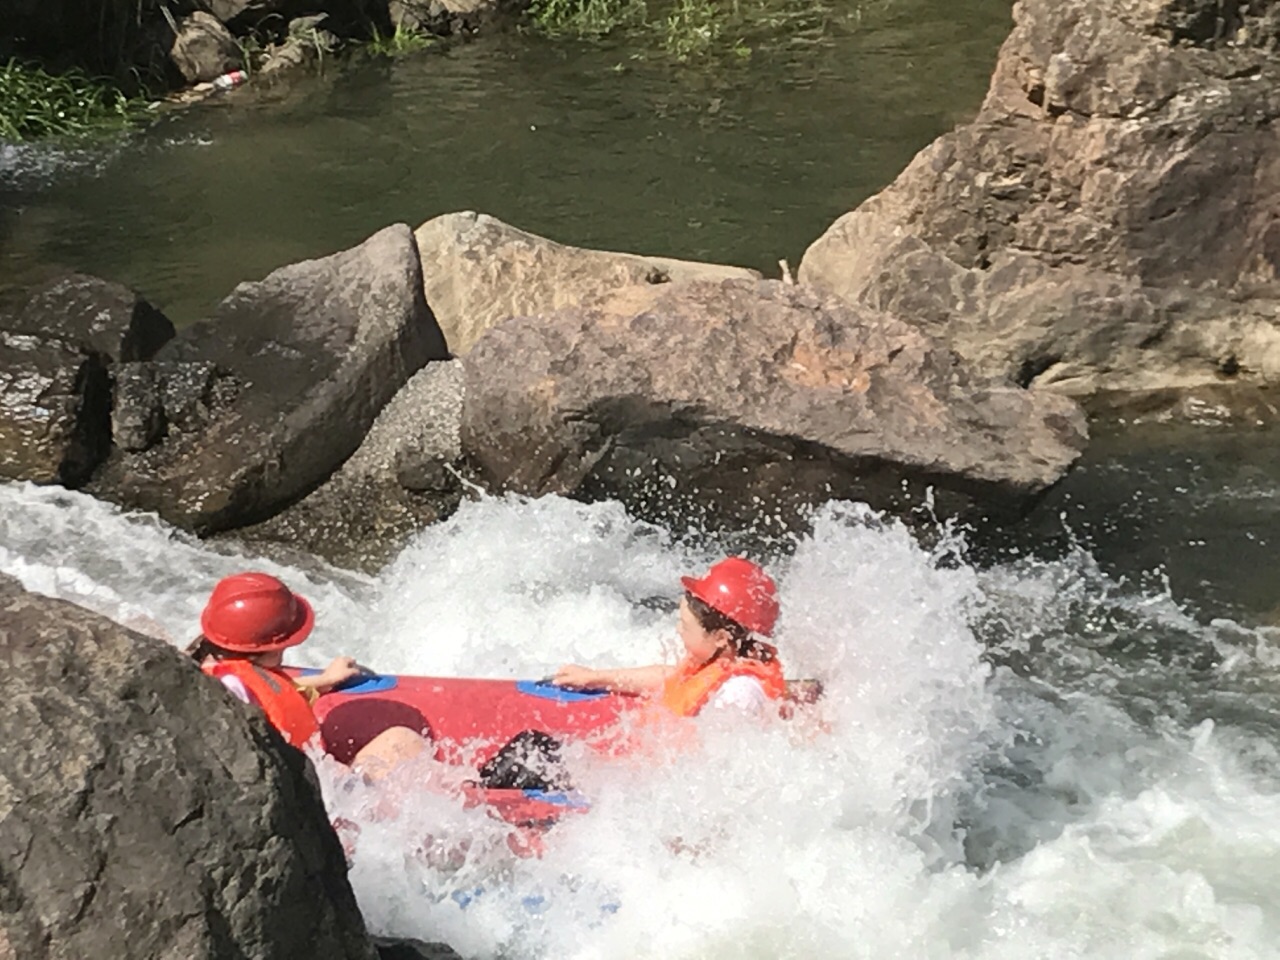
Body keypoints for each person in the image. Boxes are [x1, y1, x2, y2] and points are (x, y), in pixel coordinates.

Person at [189, 571, 426, 778]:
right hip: (308, 794)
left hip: (300, 781)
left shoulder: (215, 673)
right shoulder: (230, 687)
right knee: (402, 741)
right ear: (271, 646)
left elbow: (266, 694)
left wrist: (323, 681)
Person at [554, 557, 787, 717]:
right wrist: (594, 677)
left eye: (685, 625)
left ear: (720, 637)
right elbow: (669, 678)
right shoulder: (721, 658)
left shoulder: (740, 695)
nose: (678, 630)